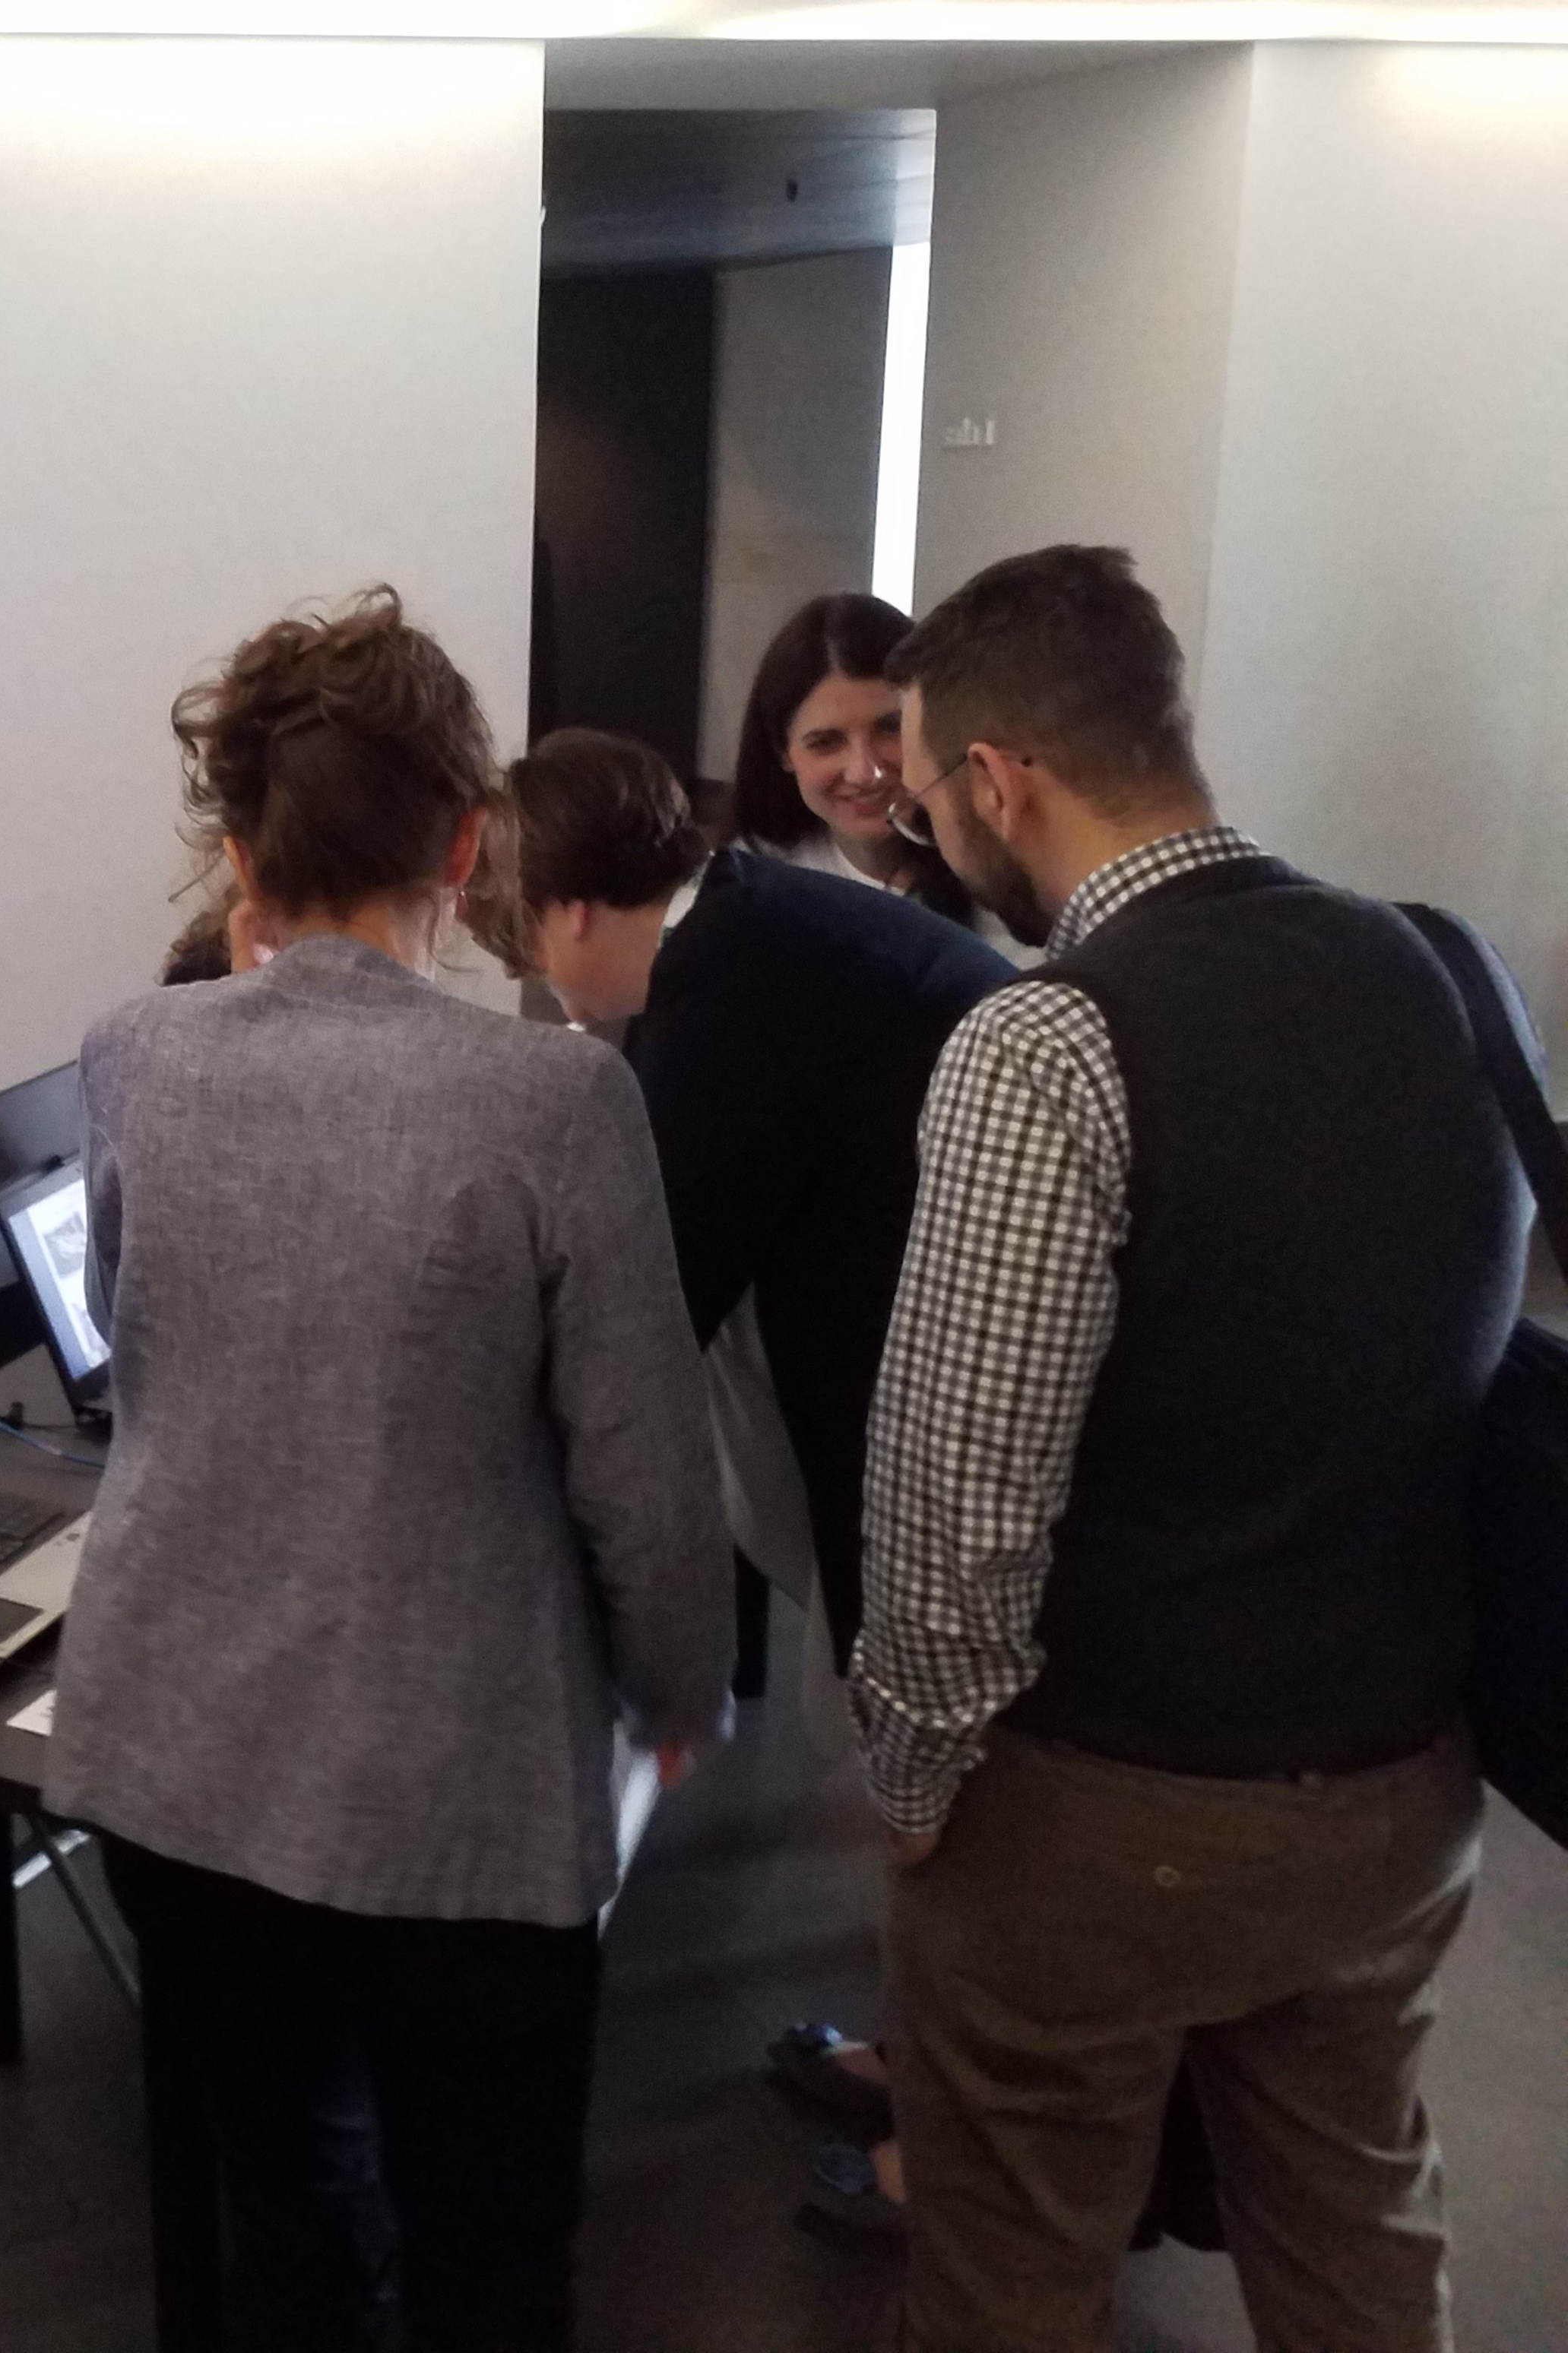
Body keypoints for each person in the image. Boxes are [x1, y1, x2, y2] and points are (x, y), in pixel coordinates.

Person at [857, 545, 1527, 2351]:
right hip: (1401, 1782)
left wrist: (911, 1774)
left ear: (997, 780)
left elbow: (959, 1500)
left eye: (925, 798)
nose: (931, 836)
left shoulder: (1044, 1043)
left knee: (1012, 2266)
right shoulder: (1439, 965)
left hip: (1109, 1810)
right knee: (1357, 2229)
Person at [49, 587, 732, 2353]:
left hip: (170, 1773)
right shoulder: (554, 1104)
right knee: (486, 2266)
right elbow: (647, 1479)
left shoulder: (130, 1055)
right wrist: (677, 1690)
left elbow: (132, 1343)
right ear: (464, 842)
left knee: (282, 2219)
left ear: (240, 846)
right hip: (456, 1812)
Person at [484, 727, 1012, 2236]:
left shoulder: (722, 996)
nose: (544, 991)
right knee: (944, 1791)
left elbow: (643, 1320)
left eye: (526, 951)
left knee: (958, 1801)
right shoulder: (750, 919)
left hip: (944, 1430)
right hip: (915, 1373)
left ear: (569, 909)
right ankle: (925, 2063)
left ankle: (954, 2151)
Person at [731, 592, 990, 939]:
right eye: (826, 743)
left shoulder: (1003, 884)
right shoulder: (748, 884)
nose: (866, 774)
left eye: (891, 728)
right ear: (782, 752)